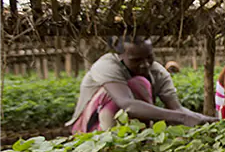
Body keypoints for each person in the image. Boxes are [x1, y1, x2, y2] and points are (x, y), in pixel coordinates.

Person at [67, 36, 216, 133]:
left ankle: (141, 139)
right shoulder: (107, 65)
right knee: (137, 84)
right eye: (136, 60)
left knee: (142, 83)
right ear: (120, 56)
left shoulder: (157, 71)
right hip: (89, 129)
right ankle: (109, 142)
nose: (145, 64)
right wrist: (182, 118)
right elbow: (127, 105)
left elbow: (176, 108)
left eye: (149, 57)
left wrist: (204, 120)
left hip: (130, 128)